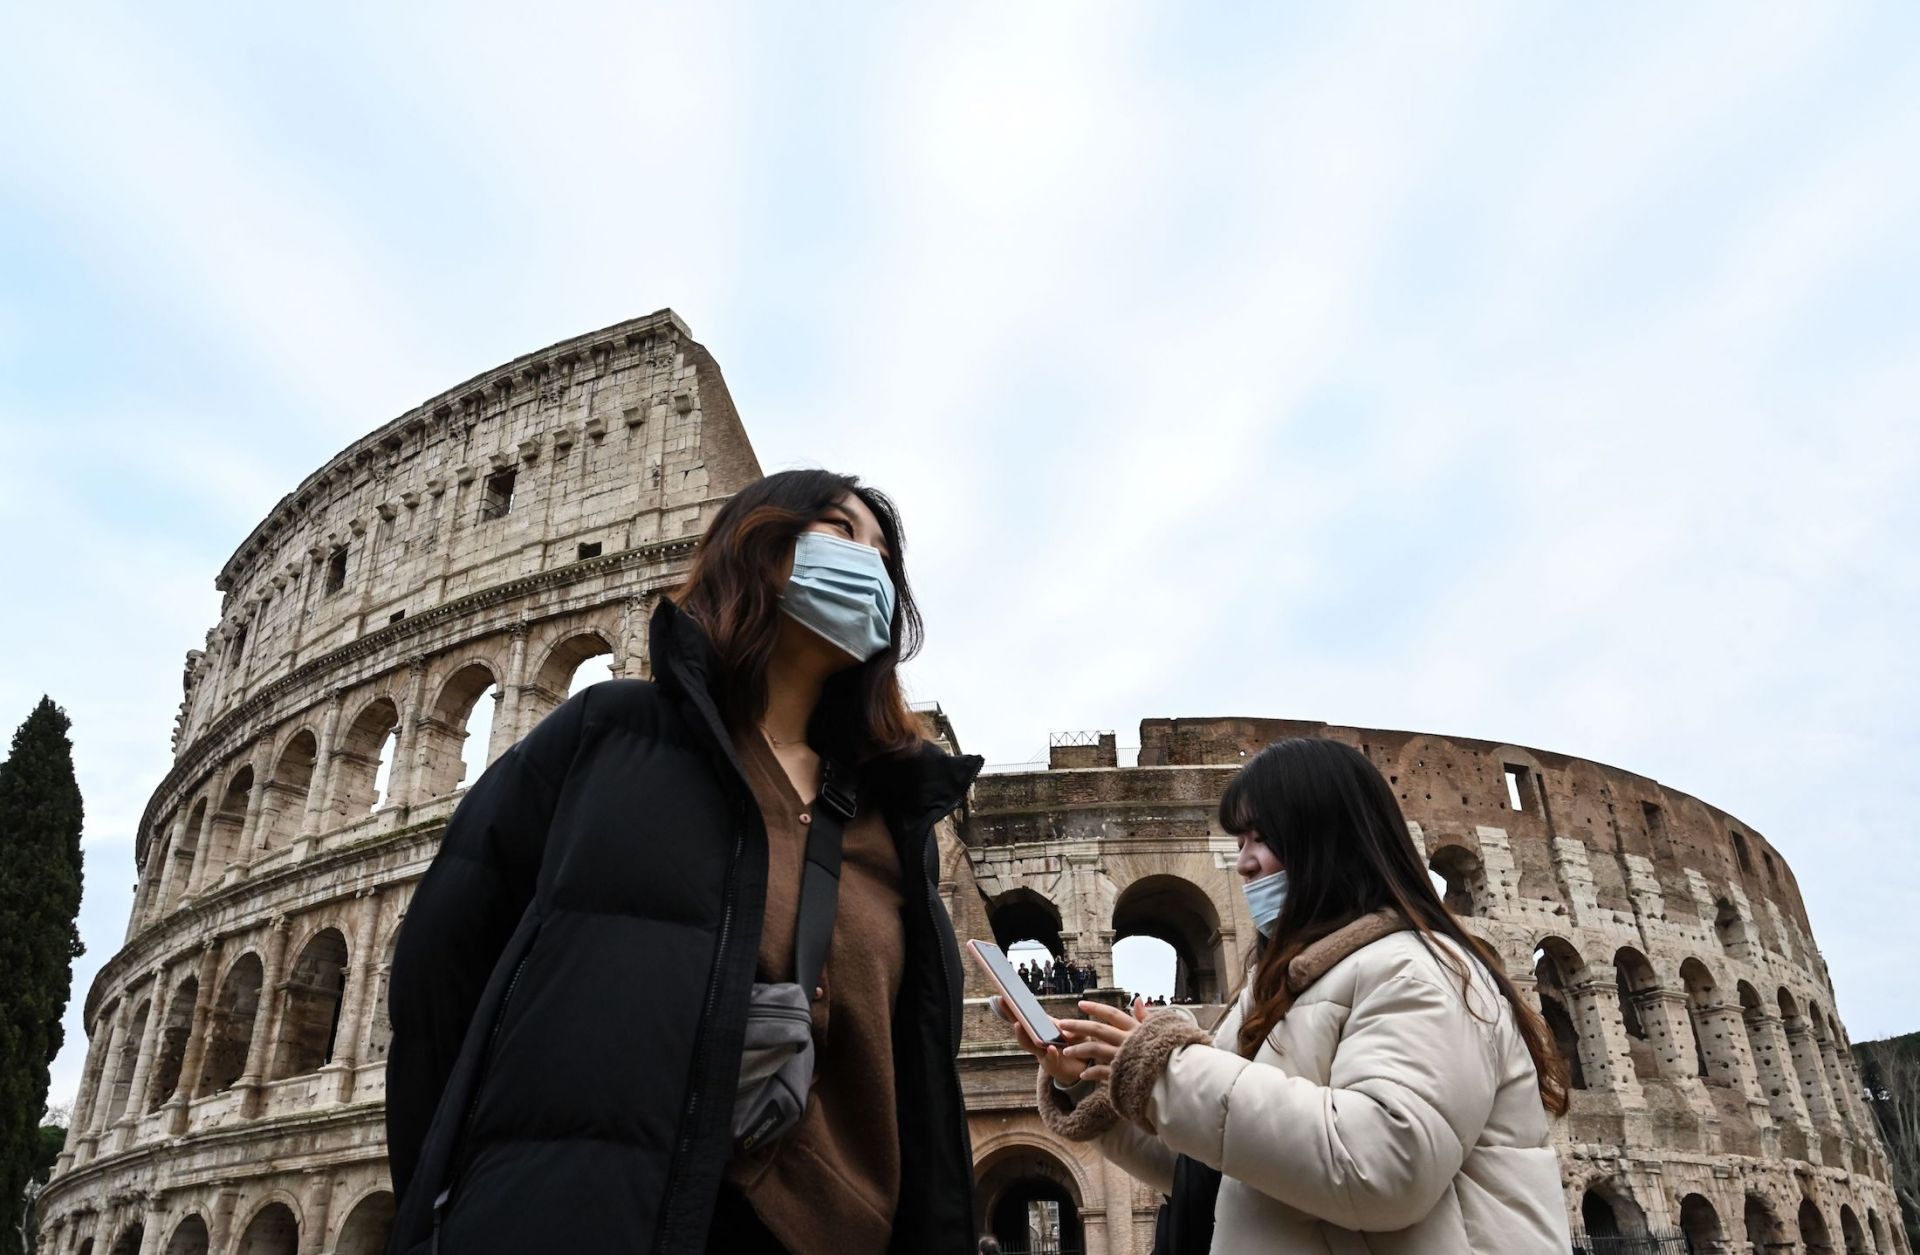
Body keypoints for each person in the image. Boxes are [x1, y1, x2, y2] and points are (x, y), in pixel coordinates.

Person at [383, 470, 984, 1255]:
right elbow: (439, 973)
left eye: (884, 556)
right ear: (757, 543)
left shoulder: (892, 822)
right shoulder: (608, 736)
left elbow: (914, 1086)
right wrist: (470, 1201)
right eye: (840, 532)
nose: (868, 565)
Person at [996, 738, 1572, 1254]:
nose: (1244, 862)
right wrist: (1089, 1082)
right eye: (1241, 840)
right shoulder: (1273, 992)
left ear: (1329, 840)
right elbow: (1214, 1167)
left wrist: (1166, 1071)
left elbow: (1384, 1166)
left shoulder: (1419, 973)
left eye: (1261, 838)